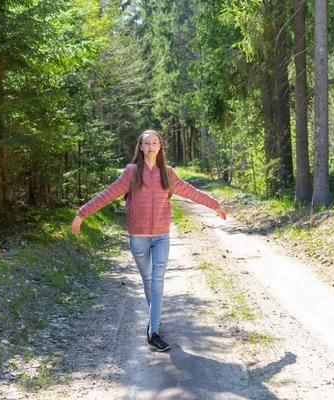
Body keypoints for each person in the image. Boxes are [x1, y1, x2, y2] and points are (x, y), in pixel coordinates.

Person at [71, 129, 227, 352]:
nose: (151, 146)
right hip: (139, 237)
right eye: (147, 143)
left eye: (155, 142)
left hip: (162, 236)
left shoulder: (168, 173)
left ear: (160, 146)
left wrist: (214, 204)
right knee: (148, 280)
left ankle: (153, 332)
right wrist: (82, 213)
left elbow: (191, 192)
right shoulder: (131, 173)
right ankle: (155, 319)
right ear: (141, 147)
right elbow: (108, 193)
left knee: (157, 281)